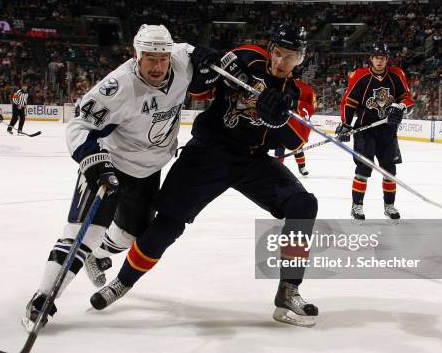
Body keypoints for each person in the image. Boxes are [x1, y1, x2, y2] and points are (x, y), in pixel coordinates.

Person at [91, 23, 320, 327]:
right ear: (270, 49)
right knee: (169, 224)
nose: (281, 62)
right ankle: (122, 282)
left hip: (251, 161)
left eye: (290, 57)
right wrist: (204, 68)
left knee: (302, 205)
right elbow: (199, 90)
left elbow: (295, 140)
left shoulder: (300, 93)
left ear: (300, 59)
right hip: (208, 152)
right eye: (278, 53)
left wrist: (276, 119)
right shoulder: (245, 58)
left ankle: (289, 290)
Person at [22, 24, 220, 330]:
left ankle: (96, 254)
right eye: (150, 58)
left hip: (148, 170)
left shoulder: (180, 59)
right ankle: (43, 298)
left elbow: (193, 50)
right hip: (109, 165)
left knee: (128, 236)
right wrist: (93, 160)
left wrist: (210, 56)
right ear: (137, 55)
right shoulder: (117, 86)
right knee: (81, 234)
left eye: (162, 58)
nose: (157, 65)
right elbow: (78, 127)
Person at [336, 42, 413, 222]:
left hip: (387, 130)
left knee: (389, 170)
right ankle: (357, 206)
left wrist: (400, 107)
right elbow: (350, 102)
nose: (379, 61)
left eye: (383, 58)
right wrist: (346, 124)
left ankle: (389, 206)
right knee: (363, 168)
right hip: (365, 130)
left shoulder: (396, 74)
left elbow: (407, 99)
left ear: (387, 59)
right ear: (371, 58)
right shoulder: (361, 76)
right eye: (376, 57)